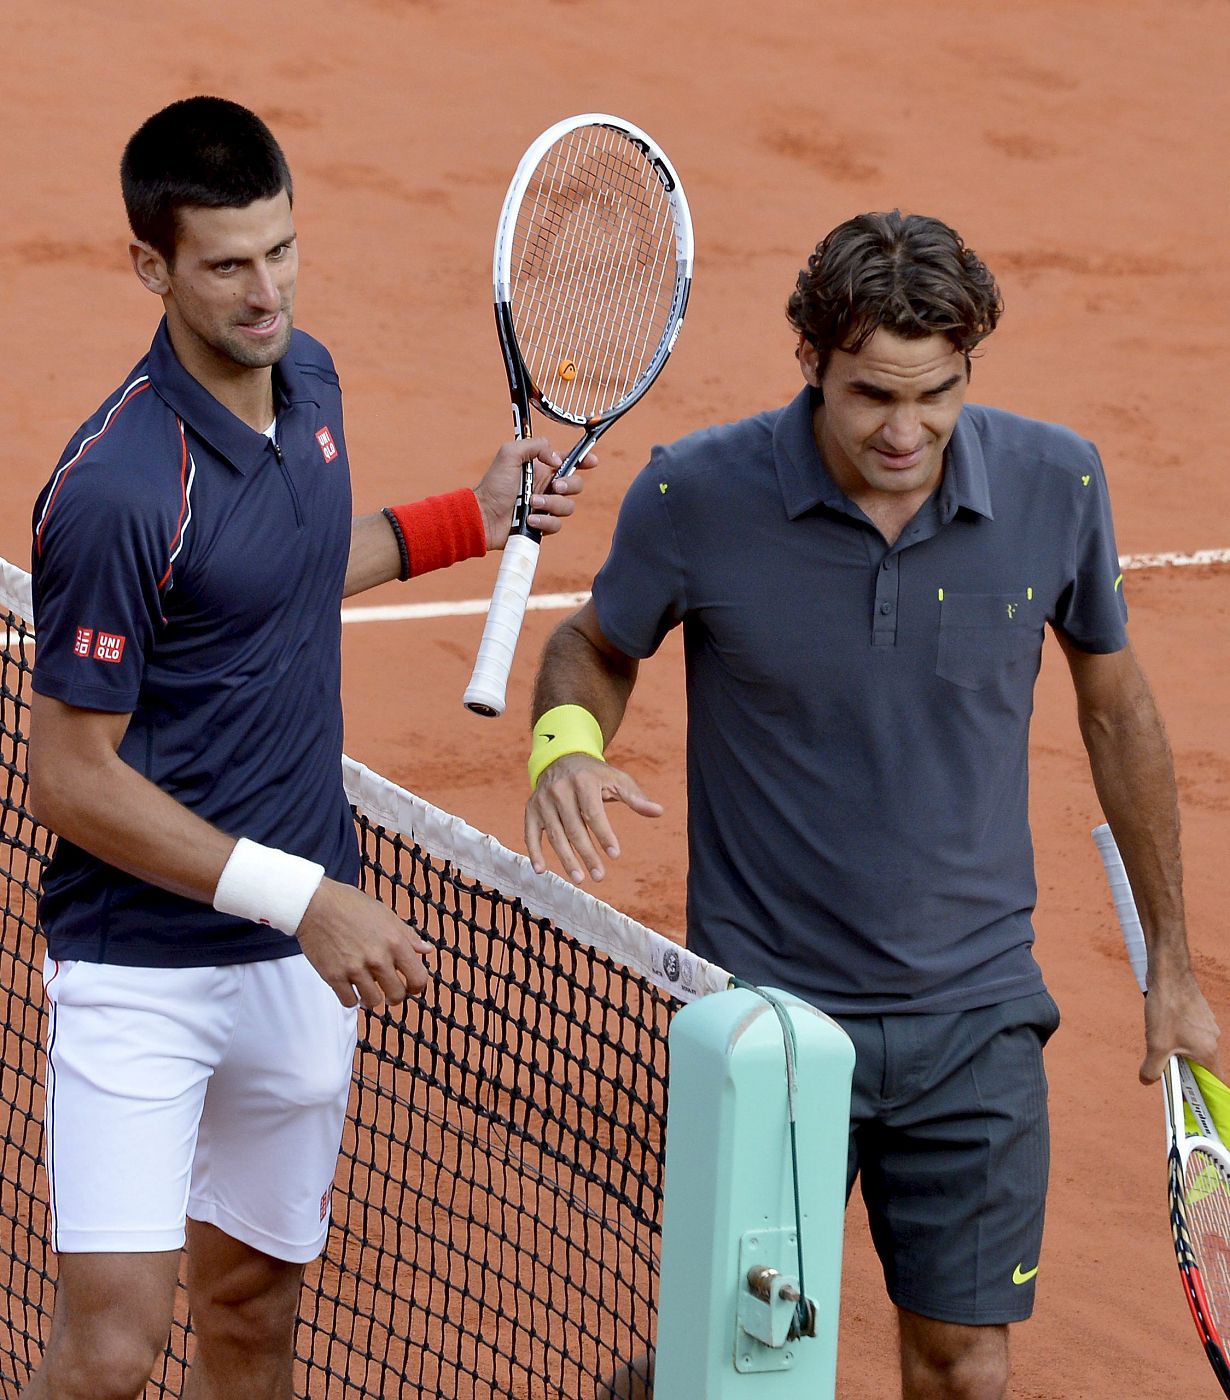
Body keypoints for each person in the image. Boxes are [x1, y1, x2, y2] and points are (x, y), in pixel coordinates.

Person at [524, 210, 1221, 1400]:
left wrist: (1175, 961)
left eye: (936, 393)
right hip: (769, 1019)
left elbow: (1119, 711)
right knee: (724, 1365)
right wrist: (566, 747)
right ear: (809, 361)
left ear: (970, 366)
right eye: (870, 397)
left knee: (964, 1364)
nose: (907, 431)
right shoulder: (697, 493)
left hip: (977, 1015)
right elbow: (593, 646)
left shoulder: (1059, 480)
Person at [25, 96, 593, 1400]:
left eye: (281, 250)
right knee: (111, 1354)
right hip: (143, 971)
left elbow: (281, 572)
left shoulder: (310, 381)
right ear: (150, 267)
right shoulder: (118, 489)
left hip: (291, 960)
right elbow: (69, 778)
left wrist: (473, 512)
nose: (265, 290)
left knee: (256, 1306)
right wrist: (308, 900)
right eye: (227, 263)